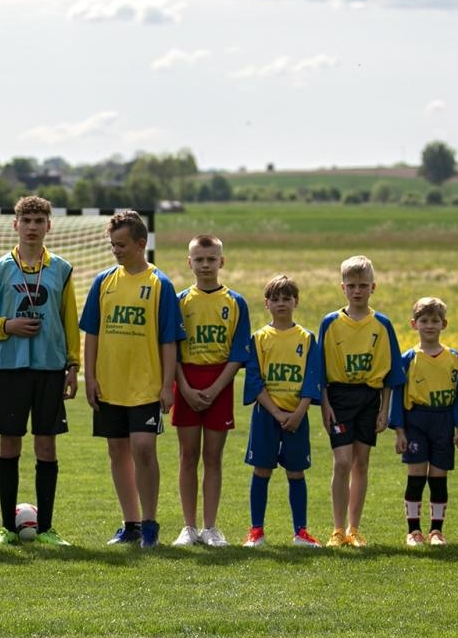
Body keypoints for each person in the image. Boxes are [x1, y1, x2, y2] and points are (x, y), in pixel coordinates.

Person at [0, 195, 80, 547]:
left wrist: (73, 364)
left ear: (49, 225)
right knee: (9, 445)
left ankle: (48, 528)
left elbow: (70, 320)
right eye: (27, 221)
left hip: (50, 368)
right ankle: (7, 527)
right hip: (10, 368)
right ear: (15, 225)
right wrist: (9, 326)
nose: (33, 228)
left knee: (47, 447)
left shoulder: (62, 270)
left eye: (39, 221)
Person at [80, 209, 185, 549]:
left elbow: (168, 340)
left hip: (145, 386)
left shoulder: (160, 285)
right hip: (109, 384)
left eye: (122, 244)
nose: (116, 250)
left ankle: (151, 522)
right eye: (113, 245)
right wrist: (90, 377)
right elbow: (92, 334)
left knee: (143, 448)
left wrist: (168, 384)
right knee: (117, 450)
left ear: (142, 244)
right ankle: (131, 524)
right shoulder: (103, 282)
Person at [312, 255, 405, 548]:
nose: (357, 291)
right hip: (339, 397)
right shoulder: (330, 323)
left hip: (369, 398)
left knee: (361, 463)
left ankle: (354, 529)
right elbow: (321, 369)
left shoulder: (382, 324)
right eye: (351, 285)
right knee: (342, 462)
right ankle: (337, 530)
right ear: (342, 287)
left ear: (373, 287)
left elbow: (392, 372)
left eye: (363, 285)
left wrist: (384, 409)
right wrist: (325, 403)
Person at [172, 234, 254, 547]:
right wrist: (186, 387)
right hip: (187, 382)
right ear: (189, 262)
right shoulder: (179, 301)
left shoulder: (235, 302)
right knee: (187, 456)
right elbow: (173, 350)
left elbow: (238, 351)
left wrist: (219, 386)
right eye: (199, 259)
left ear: (221, 262)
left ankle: (210, 528)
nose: (205, 265)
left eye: (211, 259)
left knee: (213, 457)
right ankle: (188, 527)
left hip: (221, 382)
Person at [244, 275, 324, 548]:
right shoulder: (259, 338)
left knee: (296, 473)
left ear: (296, 301)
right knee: (262, 470)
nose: (281, 303)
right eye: (275, 299)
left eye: (286, 298)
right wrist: (277, 413)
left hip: (297, 416)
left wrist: (299, 411)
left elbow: (312, 379)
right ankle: (256, 531)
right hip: (267, 415)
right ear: (266, 304)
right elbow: (254, 380)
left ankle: (300, 532)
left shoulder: (307, 338)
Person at [389, 297, 458, 547]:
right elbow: (398, 397)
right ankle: (413, 531)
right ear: (414, 324)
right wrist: (399, 431)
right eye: (424, 321)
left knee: (438, 476)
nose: (430, 325)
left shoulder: (455, 359)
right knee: (416, 475)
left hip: (443, 420)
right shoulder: (407, 359)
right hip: (416, 420)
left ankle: (436, 531)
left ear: (444, 324)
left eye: (435, 320)